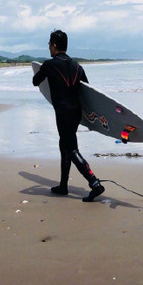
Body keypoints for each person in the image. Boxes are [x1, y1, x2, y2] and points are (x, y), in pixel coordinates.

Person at [33, 29, 105, 202]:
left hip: (63, 113)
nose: (49, 48)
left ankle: (94, 183)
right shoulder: (77, 66)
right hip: (76, 113)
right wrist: (90, 119)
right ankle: (63, 185)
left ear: (54, 45)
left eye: (49, 45)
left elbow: (35, 81)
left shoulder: (49, 65)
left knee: (71, 149)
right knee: (64, 145)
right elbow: (88, 92)